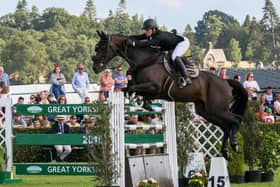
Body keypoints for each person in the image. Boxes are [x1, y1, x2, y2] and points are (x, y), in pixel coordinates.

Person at [127, 18, 191, 88]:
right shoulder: (151, 34)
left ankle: (186, 77)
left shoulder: (158, 36)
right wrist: (127, 38)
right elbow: (139, 37)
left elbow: (147, 44)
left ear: (153, 30)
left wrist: (133, 43)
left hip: (183, 43)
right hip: (172, 44)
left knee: (174, 56)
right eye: (145, 30)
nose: (146, 32)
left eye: (147, 30)